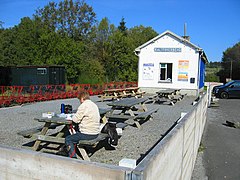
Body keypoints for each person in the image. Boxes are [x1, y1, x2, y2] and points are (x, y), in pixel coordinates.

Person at [65, 91, 100, 158]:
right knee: (75, 131)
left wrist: (72, 116)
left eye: (79, 100)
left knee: (68, 139)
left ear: (82, 98)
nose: (80, 101)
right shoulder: (94, 105)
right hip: (96, 132)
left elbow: (75, 120)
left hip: (88, 134)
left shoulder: (83, 106)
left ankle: (72, 157)